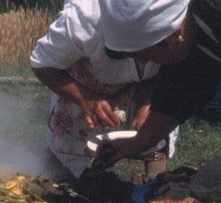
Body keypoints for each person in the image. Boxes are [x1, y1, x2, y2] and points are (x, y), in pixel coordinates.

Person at [94, 0, 221, 170]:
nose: (143, 62)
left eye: (147, 54)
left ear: (175, 33)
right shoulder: (191, 27)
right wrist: (139, 141)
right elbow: (181, 92)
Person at [30, 0, 178, 181]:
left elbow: (172, 69)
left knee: (156, 125)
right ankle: (58, 175)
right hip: (88, 81)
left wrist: (147, 101)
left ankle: (155, 186)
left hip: (148, 82)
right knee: (64, 160)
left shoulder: (174, 19)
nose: (140, 58)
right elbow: (42, 64)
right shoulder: (81, 22)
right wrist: (87, 99)